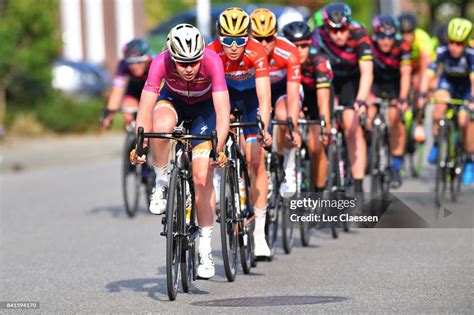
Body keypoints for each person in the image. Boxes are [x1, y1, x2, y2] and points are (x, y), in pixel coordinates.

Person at [130, 24, 230, 279]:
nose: (189, 68)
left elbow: (222, 112)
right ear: (171, 55)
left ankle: (205, 247)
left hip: (204, 111)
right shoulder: (160, 62)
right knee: (160, 125)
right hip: (172, 101)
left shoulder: (213, 61)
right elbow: (145, 107)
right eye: (182, 63)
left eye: (194, 62)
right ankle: (162, 181)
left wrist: (217, 150)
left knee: (201, 177)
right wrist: (140, 143)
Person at [207, 7, 273, 258]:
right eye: (227, 40)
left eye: (240, 40)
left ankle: (259, 233)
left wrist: (264, 128)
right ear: (218, 38)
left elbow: (264, 97)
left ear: (248, 38)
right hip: (222, 98)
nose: (234, 47)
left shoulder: (256, 52)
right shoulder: (210, 51)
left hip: (249, 101)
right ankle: (216, 183)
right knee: (211, 143)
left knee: (256, 160)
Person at [311, 2, 373, 193]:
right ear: (326, 26)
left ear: (349, 25)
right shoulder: (319, 35)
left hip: (351, 81)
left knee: (352, 127)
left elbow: (367, 72)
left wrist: (361, 100)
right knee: (324, 127)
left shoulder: (359, 33)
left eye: (342, 30)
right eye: (333, 30)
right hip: (326, 80)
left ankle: (359, 186)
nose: (338, 35)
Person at [250, 8, 302, 198]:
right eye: (258, 38)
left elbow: (294, 95)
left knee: (283, 115)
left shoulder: (288, 50)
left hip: (283, 92)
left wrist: (292, 127)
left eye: (268, 38)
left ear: (276, 35)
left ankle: (288, 166)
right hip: (256, 93)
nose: (263, 44)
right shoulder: (244, 51)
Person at [418, 18, 474, 185]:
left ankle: (470, 160)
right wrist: (422, 93)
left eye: (459, 43)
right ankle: (436, 142)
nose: (454, 47)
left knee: (465, 122)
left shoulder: (471, 55)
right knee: (439, 105)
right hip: (448, 84)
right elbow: (429, 74)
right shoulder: (442, 51)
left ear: (466, 43)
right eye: (451, 42)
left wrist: (471, 100)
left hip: (466, 90)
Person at [282, 21, 333, 192]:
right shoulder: (281, 61)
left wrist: (325, 125)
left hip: (315, 100)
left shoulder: (318, 61)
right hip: (293, 100)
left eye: (304, 45)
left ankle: (319, 193)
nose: (299, 50)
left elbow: (323, 99)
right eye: (295, 46)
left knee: (316, 146)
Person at [368, 15, 412, 187]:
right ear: (375, 36)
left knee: (395, 119)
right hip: (376, 83)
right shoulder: (369, 46)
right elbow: (365, 73)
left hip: (395, 85)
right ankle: (372, 151)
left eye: (390, 37)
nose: (385, 41)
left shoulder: (403, 47)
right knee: (368, 117)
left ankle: (395, 165)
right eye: (381, 37)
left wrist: (402, 98)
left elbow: (406, 74)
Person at [398, 13, 435, 143]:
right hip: (405, 65)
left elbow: (426, 65)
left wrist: (422, 89)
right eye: (402, 33)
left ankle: (419, 122)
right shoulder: (398, 40)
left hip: (420, 66)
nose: (405, 37)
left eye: (409, 33)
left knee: (419, 84)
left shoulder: (422, 38)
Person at [102, 39, 153, 128]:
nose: (134, 66)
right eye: (130, 62)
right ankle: (131, 138)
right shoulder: (123, 65)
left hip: (153, 91)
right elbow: (117, 91)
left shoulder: (154, 62)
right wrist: (110, 114)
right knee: (128, 116)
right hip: (134, 91)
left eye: (138, 61)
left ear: (147, 58)